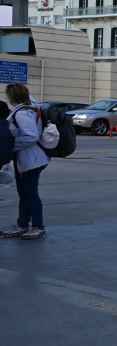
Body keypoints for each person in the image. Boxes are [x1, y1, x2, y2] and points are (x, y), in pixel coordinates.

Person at [5, 83, 49, 239]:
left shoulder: (22, 113)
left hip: (31, 159)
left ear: (10, 98)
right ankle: (23, 224)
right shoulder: (30, 107)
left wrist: (10, 145)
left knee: (30, 194)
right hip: (28, 159)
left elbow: (31, 136)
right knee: (24, 193)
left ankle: (38, 226)